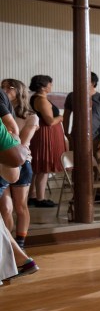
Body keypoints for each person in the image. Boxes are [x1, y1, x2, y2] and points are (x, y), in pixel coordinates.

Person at [0, 79, 39, 247]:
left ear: (18, 91)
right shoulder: (3, 112)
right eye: (2, 87)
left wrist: (10, 137)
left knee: (20, 206)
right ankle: (8, 245)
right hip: (3, 162)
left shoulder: (31, 116)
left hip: (21, 162)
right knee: (5, 208)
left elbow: (21, 143)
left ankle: (21, 243)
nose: (4, 90)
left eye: (8, 87)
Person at [63, 71, 100, 174]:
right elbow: (66, 116)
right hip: (76, 138)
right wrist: (66, 133)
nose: (79, 83)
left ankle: (97, 184)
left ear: (93, 83)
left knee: (97, 168)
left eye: (83, 80)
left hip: (96, 139)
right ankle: (77, 184)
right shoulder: (72, 96)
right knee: (77, 167)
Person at [27, 75, 63, 208]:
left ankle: (32, 196)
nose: (51, 86)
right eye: (50, 84)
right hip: (45, 135)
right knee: (43, 166)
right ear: (43, 86)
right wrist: (61, 117)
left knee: (38, 168)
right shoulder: (41, 100)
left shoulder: (36, 98)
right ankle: (40, 198)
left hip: (43, 133)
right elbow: (50, 121)